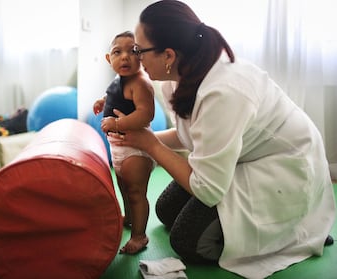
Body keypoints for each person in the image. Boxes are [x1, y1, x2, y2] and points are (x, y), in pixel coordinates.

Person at [110, 1, 336, 278]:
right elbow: (191, 134)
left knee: (186, 241)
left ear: (168, 54)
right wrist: (142, 138)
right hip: (242, 155)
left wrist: (151, 145)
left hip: (284, 167)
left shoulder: (223, 91)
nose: (134, 58)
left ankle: (294, 229)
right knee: (165, 210)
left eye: (138, 50)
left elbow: (207, 189)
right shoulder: (177, 74)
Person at [93, 31, 156, 254]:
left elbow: (145, 114)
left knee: (137, 193)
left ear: (141, 57)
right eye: (117, 52)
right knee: (124, 188)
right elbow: (113, 95)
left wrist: (117, 123)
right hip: (118, 149)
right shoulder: (118, 80)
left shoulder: (141, 84)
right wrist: (103, 101)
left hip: (136, 150)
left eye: (133, 51)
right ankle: (129, 218)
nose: (125, 57)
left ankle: (140, 236)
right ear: (109, 59)